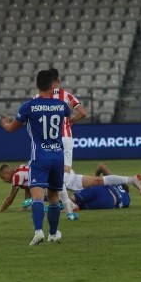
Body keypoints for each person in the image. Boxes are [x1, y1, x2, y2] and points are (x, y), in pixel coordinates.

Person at [1, 69, 71, 246]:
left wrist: (5, 124)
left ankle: (39, 231)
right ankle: (53, 234)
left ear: (36, 84)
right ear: (53, 85)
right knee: (54, 196)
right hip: (57, 156)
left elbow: (11, 129)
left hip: (39, 156)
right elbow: (67, 117)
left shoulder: (29, 106)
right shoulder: (62, 106)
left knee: (37, 196)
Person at [0, 161, 141, 213]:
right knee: (98, 181)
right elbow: (27, 189)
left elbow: (10, 198)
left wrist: (0, 210)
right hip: (65, 174)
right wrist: (24, 208)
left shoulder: (15, 177)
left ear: (7, 172)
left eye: (3, 177)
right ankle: (131, 179)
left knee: (54, 199)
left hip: (57, 181)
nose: (4, 180)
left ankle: (70, 207)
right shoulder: (21, 168)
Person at [42, 68, 88, 220]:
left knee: (53, 173)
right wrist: (71, 121)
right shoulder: (67, 95)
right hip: (66, 138)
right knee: (65, 174)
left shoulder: (40, 96)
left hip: (49, 139)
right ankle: (68, 206)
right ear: (57, 81)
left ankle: (66, 205)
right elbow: (83, 113)